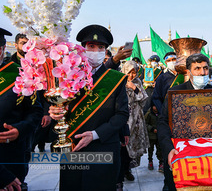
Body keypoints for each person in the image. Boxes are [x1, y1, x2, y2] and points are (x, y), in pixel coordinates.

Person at [49, 24, 129, 191]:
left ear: (106, 51)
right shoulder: (67, 73)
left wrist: (94, 135)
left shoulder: (115, 78)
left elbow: (122, 114)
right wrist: (55, 112)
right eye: (91, 46)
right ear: (83, 49)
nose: (95, 51)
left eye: (100, 47)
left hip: (104, 146)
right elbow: (60, 106)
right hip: (73, 147)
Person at [158, 53, 212, 191]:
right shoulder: (175, 92)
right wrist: (168, 149)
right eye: (197, 69)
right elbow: (163, 122)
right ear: (189, 72)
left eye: (205, 68)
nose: (202, 73)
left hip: (208, 156)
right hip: (181, 154)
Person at [0, 28, 43, 191]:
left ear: (3, 49)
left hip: (11, 154)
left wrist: (20, 129)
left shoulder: (20, 74)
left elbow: (35, 111)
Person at [121, 61, 149, 168]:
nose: (131, 75)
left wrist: (134, 88)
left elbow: (144, 99)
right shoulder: (120, 82)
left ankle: (130, 167)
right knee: (124, 144)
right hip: (125, 117)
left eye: (133, 72)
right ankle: (123, 171)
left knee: (134, 142)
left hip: (137, 117)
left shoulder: (137, 82)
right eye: (129, 72)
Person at [145, 102, 163, 172]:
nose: (155, 108)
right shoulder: (149, 114)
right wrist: (152, 129)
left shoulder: (161, 114)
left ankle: (161, 163)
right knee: (150, 150)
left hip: (159, 136)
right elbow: (145, 124)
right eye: (154, 106)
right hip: (151, 136)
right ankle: (150, 161)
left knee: (160, 150)